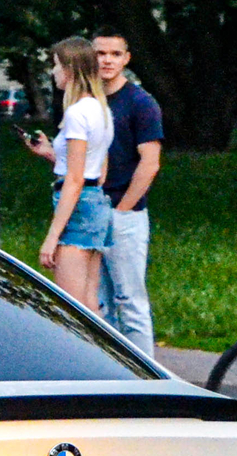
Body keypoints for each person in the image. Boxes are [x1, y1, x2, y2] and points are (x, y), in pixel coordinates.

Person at [92, 32, 164, 358]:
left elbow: (149, 164)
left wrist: (122, 210)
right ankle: (114, 375)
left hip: (126, 213)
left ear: (126, 59)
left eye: (114, 54)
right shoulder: (88, 101)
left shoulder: (140, 103)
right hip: (92, 209)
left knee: (130, 300)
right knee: (99, 302)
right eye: (100, 53)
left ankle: (149, 382)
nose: (107, 60)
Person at [27, 36, 112, 308]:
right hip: (96, 203)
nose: (53, 72)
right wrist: (52, 154)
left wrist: (51, 238)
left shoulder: (76, 114)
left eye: (55, 65)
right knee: (90, 304)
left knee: (72, 310)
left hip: (76, 209)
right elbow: (96, 170)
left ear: (70, 68)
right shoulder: (100, 110)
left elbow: (74, 180)